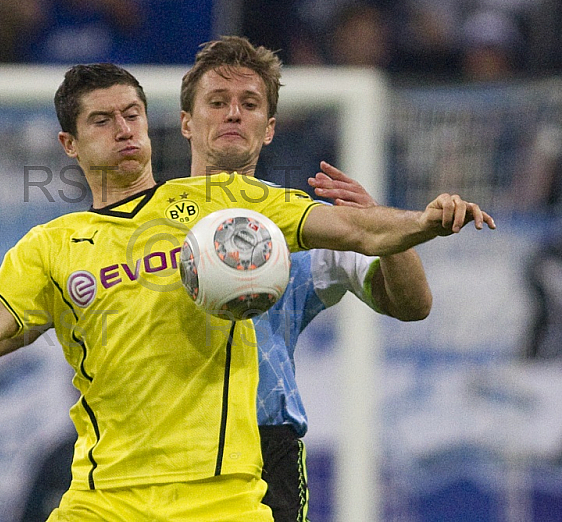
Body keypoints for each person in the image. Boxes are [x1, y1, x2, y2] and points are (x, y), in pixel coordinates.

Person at [0, 62, 494, 520]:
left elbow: (358, 232)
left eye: (134, 113)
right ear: (69, 144)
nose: (126, 129)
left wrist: (423, 222)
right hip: (103, 500)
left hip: (222, 499)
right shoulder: (51, 245)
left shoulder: (226, 205)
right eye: (103, 119)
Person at [179, 35, 433, 521]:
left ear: (269, 128)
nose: (234, 113)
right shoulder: (145, 225)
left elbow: (412, 304)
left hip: (264, 448)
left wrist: (382, 227)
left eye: (249, 104)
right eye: (217, 102)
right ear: (187, 123)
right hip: (164, 442)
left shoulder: (303, 226)